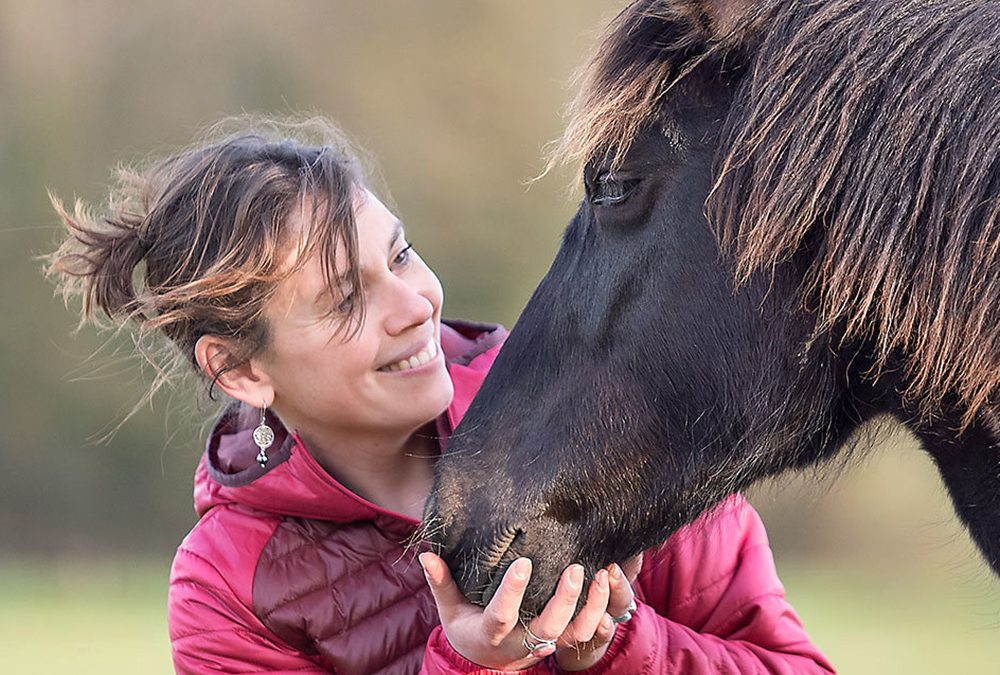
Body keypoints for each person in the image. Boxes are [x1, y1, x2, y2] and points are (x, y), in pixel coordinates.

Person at [47, 116, 834, 674]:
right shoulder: (226, 587)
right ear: (241, 370)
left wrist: (618, 650)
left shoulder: (600, 407)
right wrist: (473, 666)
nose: (416, 301)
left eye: (401, 252)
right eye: (347, 297)